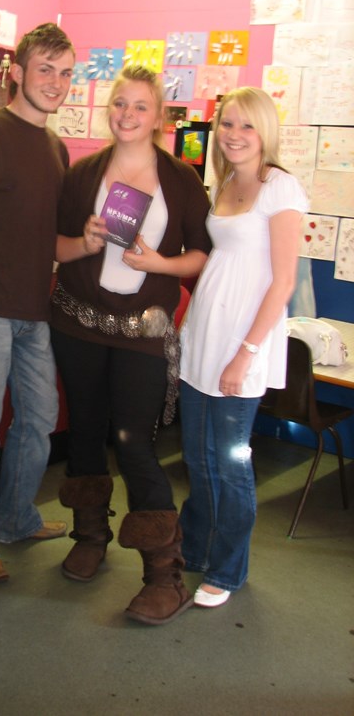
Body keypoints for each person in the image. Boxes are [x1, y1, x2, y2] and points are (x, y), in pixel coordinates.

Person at [51, 65, 212, 625]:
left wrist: (158, 263)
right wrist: (86, 239)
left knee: (134, 442)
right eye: (119, 103)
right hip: (77, 322)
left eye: (140, 106)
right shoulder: (84, 172)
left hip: (142, 332)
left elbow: (201, 256)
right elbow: (58, 246)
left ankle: (163, 574)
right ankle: (90, 534)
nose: (126, 114)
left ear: (160, 116)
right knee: (87, 431)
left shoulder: (181, 178)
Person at [178, 86, 308, 608]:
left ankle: (227, 570)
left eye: (246, 125)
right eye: (226, 123)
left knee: (228, 462)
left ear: (265, 132)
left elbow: (283, 283)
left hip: (243, 346)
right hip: (203, 337)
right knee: (196, 455)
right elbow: (222, 263)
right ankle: (194, 546)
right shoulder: (225, 180)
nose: (234, 134)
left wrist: (246, 353)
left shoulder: (281, 188)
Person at [0, 23, 75, 583]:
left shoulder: (56, 146)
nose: (56, 83)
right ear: (17, 72)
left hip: (36, 311)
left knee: (38, 420)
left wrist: (90, 240)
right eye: (45, 70)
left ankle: (16, 518)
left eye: (65, 73)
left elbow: (50, 238)